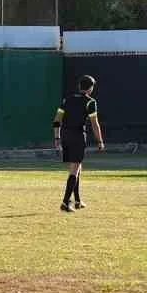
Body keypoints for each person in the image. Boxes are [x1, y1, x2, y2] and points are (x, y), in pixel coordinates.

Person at [52, 74, 103, 213]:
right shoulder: (90, 102)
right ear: (90, 88)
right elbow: (95, 124)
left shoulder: (67, 100)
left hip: (65, 135)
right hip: (78, 136)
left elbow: (57, 120)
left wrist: (57, 138)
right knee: (75, 168)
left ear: (80, 86)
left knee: (77, 166)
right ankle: (65, 202)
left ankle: (78, 201)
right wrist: (100, 141)